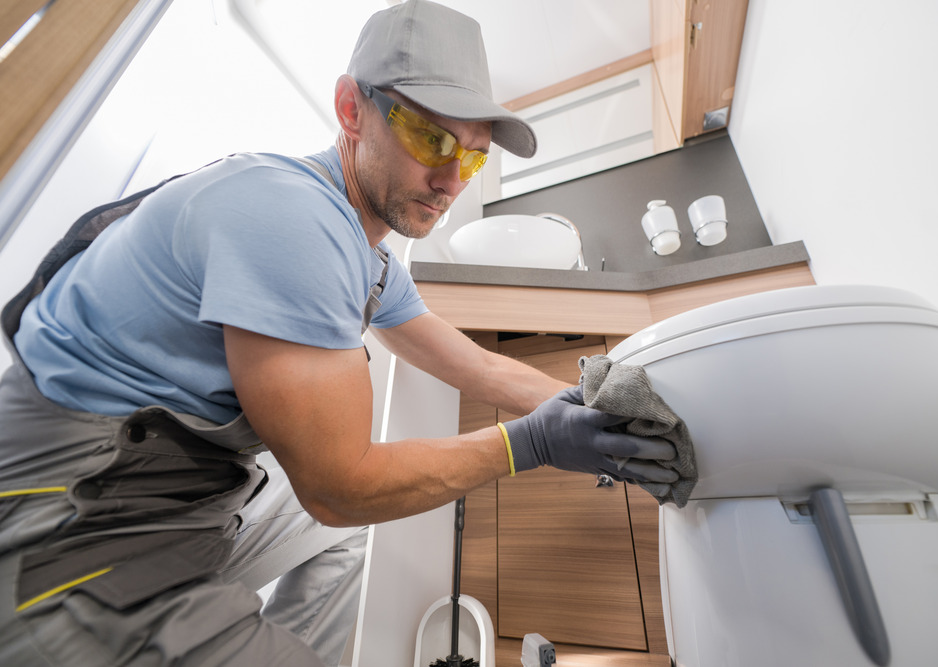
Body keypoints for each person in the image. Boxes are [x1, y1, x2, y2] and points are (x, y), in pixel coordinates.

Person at [0, 1, 680, 665]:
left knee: (349, 541)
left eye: (470, 159)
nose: (450, 182)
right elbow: (338, 487)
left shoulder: (373, 260)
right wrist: (530, 442)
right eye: (431, 139)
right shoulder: (291, 217)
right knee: (347, 510)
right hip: (64, 527)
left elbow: (479, 369)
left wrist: (592, 405)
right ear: (352, 109)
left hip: (183, 500)